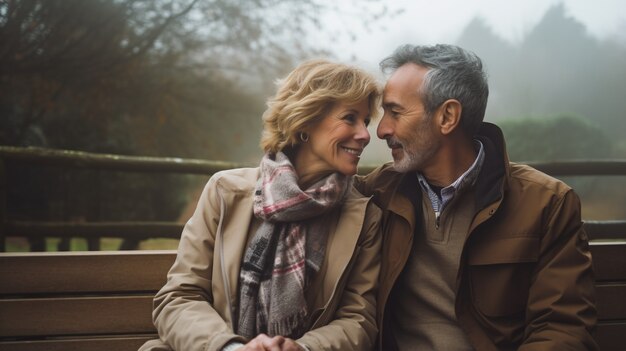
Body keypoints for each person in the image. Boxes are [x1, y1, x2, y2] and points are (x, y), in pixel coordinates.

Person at [356, 44, 597, 350]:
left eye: (395, 112)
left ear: (447, 116)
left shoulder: (548, 204)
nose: (382, 130)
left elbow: (563, 329)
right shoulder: (377, 193)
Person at [139, 59, 383, 351]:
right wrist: (230, 348)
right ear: (305, 120)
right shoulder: (225, 192)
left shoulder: (363, 216)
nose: (365, 135)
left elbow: (359, 318)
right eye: (350, 118)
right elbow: (179, 297)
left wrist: (303, 349)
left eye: (365, 121)